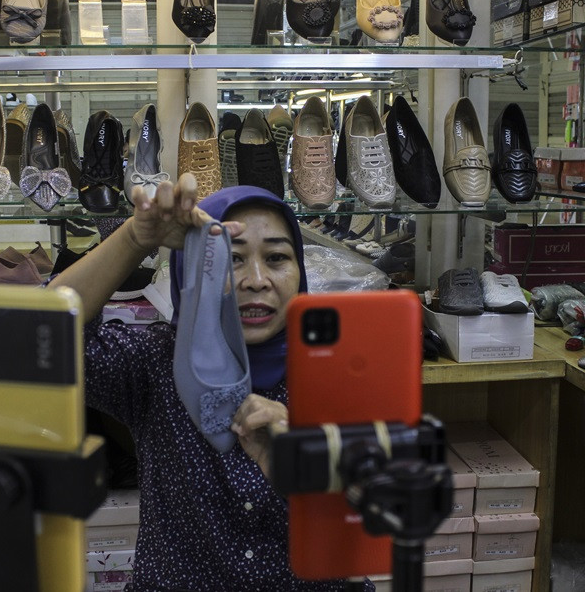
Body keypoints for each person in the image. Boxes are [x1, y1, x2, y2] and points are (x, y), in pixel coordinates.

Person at [49, 176, 373, 591]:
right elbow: (44, 338)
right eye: (232, 259)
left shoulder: (340, 368)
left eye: (276, 257)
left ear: (300, 271)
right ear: (194, 270)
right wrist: (135, 239)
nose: (257, 279)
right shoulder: (157, 362)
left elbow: (384, 507)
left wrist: (315, 461)